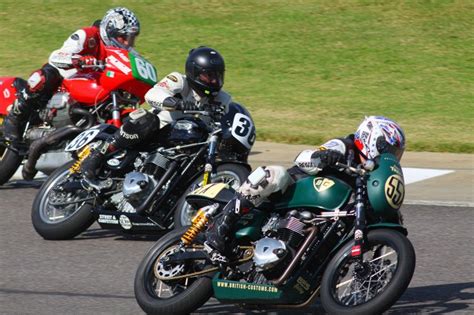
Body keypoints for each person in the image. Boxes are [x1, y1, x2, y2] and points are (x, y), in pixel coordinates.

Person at [205, 116, 406, 261]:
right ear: (372, 139)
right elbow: (303, 158)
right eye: (389, 150)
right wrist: (325, 156)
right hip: (292, 192)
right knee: (274, 173)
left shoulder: (371, 173)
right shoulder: (344, 146)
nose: (392, 156)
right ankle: (223, 224)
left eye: (396, 153)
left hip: (323, 215)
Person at [80, 46, 234, 186]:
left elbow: (223, 125)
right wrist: (176, 104)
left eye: (218, 75)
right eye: (209, 76)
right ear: (195, 73)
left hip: (182, 143)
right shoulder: (179, 81)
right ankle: (98, 155)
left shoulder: (223, 99)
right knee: (147, 118)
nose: (214, 81)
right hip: (154, 131)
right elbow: (152, 95)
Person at [3, 7, 140, 142]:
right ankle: (15, 116)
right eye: (123, 37)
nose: (127, 43)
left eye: (131, 38)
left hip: (95, 88)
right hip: (65, 79)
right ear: (110, 31)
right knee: (43, 77)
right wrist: (78, 60)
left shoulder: (127, 54)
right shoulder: (88, 35)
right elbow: (55, 56)